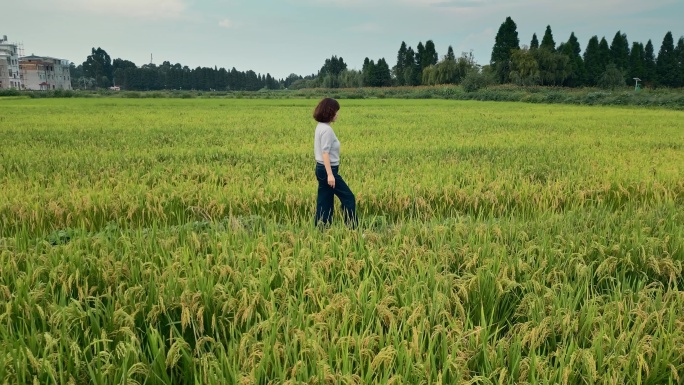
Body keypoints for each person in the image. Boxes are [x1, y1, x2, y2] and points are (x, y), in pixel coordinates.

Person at [313, 98, 357, 228]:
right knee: (349, 198)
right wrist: (330, 175)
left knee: (325, 201)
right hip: (328, 170)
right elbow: (325, 152)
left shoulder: (320, 126)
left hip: (321, 169)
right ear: (330, 112)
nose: (337, 114)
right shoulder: (327, 130)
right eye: (336, 111)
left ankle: (321, 228)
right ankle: (352, 229)